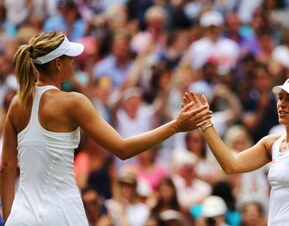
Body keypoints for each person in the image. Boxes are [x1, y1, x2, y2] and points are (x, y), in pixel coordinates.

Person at [0, 31, 211, 225]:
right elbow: (123, 148)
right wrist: (175, 126)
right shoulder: (74, 102)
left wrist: (11, 217)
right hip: (62, 214)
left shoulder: (18, 103)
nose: (74, 61)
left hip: (22, 216)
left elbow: (6, 167)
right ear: (57, 64)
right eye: (69, 57)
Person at [184, 76, 289, 225]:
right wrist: (205, 123)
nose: (282, 104)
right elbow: (231, 165)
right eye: (280, 98)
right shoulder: (272, 143)